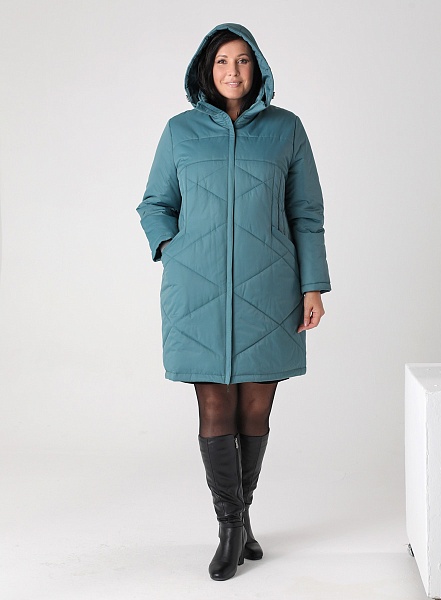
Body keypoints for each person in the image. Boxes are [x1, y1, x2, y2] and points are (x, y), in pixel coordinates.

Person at [136, 23, 331, 581]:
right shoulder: (179, 131)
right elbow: (154, 204)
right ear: (207, 67)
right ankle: (230, 528)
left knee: (256, 412)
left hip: (270, 288)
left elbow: (306, 213)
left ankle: (242, 518)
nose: (232, 71)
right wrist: (173, 248)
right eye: (222, 61)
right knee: (214, 407)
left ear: (258, 67)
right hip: (196, 290)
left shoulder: (286, 129)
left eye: (243, 60)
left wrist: (313, 286)